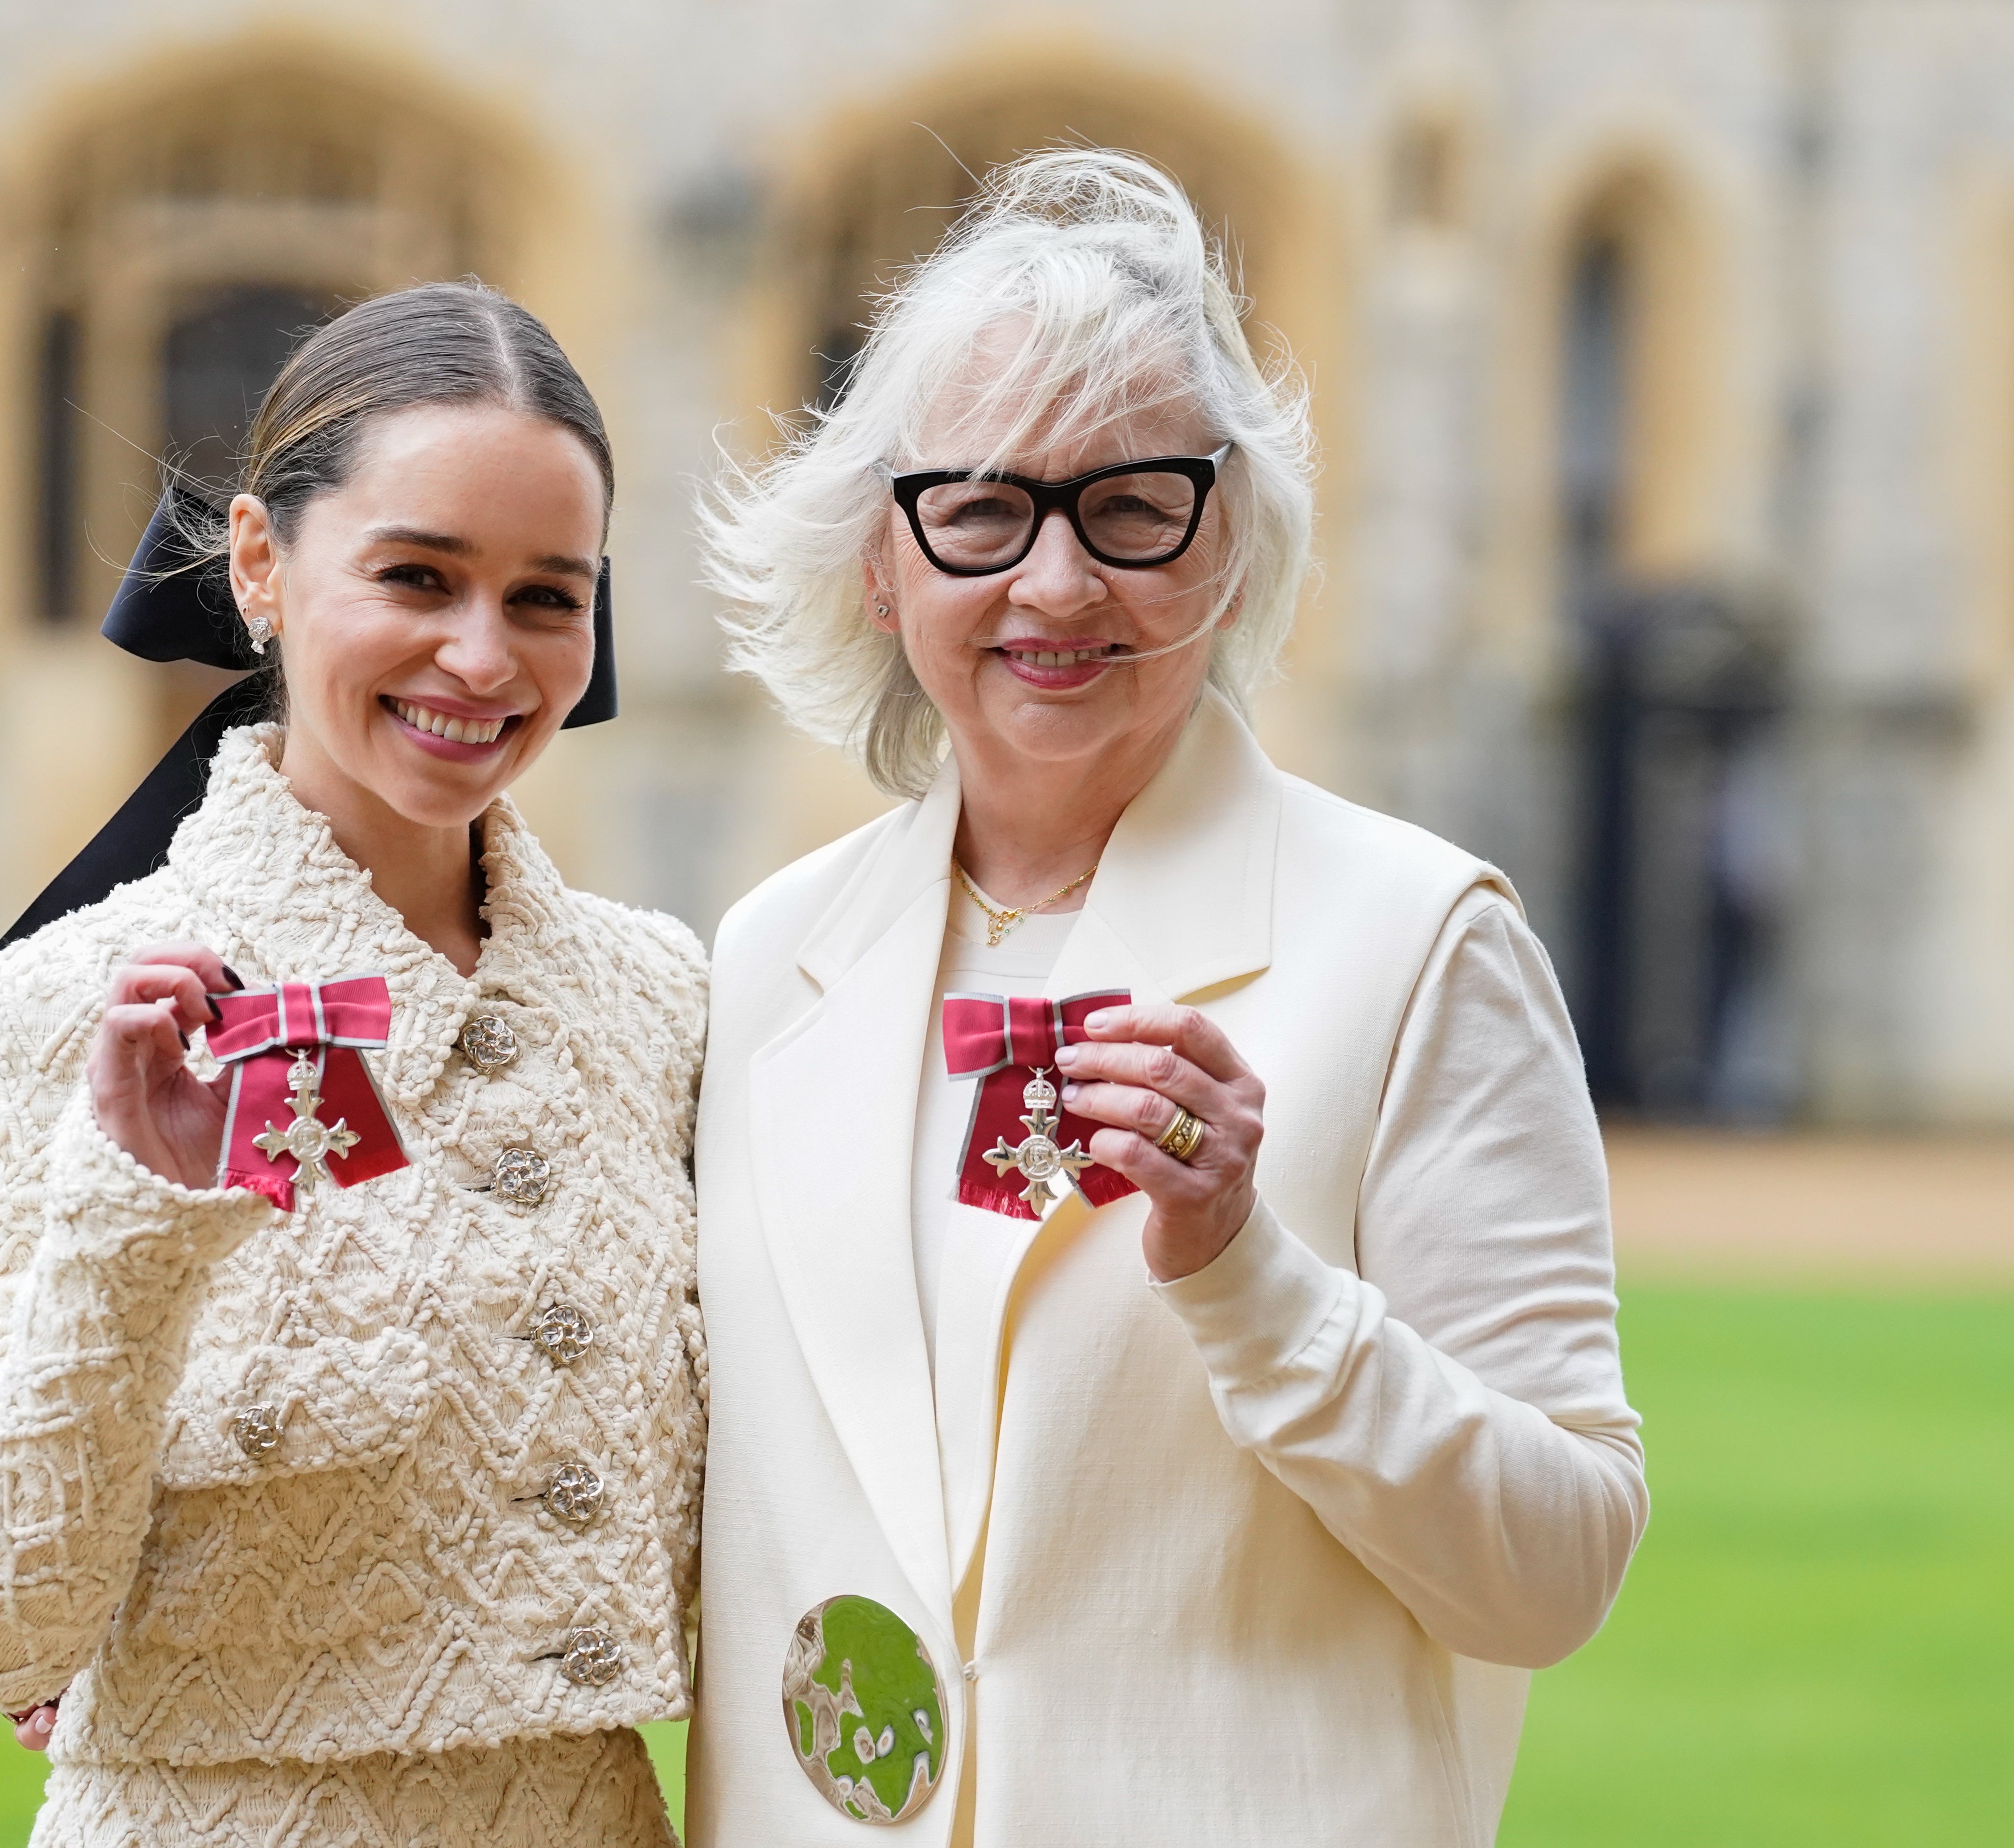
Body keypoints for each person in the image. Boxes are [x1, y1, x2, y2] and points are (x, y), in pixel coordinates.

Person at [685, 151, 1646, 1844]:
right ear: (878, 562)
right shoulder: (767, 957)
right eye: (980, 510)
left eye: (1133, 506)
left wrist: (1248, 1276)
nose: (1056, 586)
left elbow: (1553, 1572)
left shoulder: (1418, 941)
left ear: (1232, 543)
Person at [0, 281, 705, 1848]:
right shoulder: (71, 1006)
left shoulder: (659, 1002)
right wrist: (136, 1222)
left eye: (547, 596)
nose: (481, 656)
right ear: (259, 562)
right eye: (417, 576)